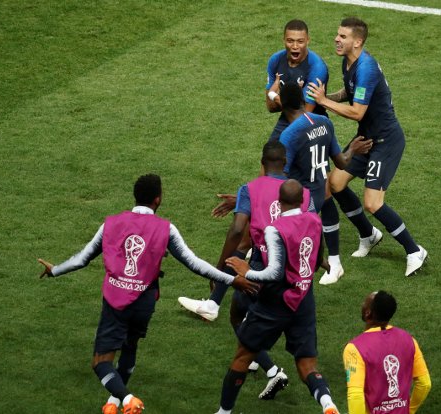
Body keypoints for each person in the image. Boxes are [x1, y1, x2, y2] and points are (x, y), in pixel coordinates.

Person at [37, 174, 258, 414]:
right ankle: (113, 404)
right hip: (143, 301)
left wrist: (54, 270)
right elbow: (194, 263)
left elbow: (82, 259)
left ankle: (128, 398)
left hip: (115, 301)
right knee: (130, 346)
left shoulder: (110, 223)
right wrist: (231, 280)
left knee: (101, 363)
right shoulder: (166, 229)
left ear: (135, 197)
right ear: (158, 199)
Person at [180, 142, 313, 400]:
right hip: (296, 276)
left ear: (262, 164)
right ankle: (321, 396)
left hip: (263, 271)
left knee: (238, 316)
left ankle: (270, 372)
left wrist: (218, 270)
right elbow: (311, 227)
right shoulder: (301, 193)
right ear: (285, 164)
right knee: (303, 354)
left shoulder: (251, 189)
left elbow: (238, 229)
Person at [307, 17, 427, 277]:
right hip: (366, 140)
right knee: (335, 183)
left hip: (385, 142)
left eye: (343, 36)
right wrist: (325, 97)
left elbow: (357, 112)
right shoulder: (350, 62)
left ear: (357, 42)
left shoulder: (367, 68)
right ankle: (368, 234)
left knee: (373, 203)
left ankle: (414, 250)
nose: (337, 39)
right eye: (337, 34)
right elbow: (350, 92)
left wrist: (324, 102)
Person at [214, 179, 340, 414]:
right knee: (307, 365)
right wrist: (316, 266)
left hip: (275, 302)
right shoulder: (314, 219)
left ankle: (223, 412)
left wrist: (246, 271)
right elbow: (318, 250)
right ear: (302, 200)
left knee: (243, 355)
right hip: (303, 300)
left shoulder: (275, 229)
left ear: (279, 201)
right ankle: (327, 403)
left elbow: (274, 273)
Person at [277, 82, 371, 284]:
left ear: (282, 105)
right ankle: (333, 262)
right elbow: (342, 162)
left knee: (289, 254)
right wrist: (352, 150)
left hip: (303, 202)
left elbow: (281, 179)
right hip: (321, 192)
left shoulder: (289, 135)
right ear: (302, 100)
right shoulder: (324, 122)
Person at [344, 290, 431, 414]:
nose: (362, 304)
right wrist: (409, 410)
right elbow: (424, 384)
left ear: (368, 313)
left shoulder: (354, 348)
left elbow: (355, 396)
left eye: (365, 303)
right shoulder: (409, 340)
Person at [266, 19, 329, 142]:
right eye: (290, 41)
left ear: (308, 41)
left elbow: (304, 115)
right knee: (270, 153)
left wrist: (275, 96)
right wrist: (288, 101)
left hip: (313, 123)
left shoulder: (317, 67)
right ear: (284, 40)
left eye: (300, 41)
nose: (295, 46)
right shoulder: (275, 60)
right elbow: (270, 107)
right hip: (286, 119)